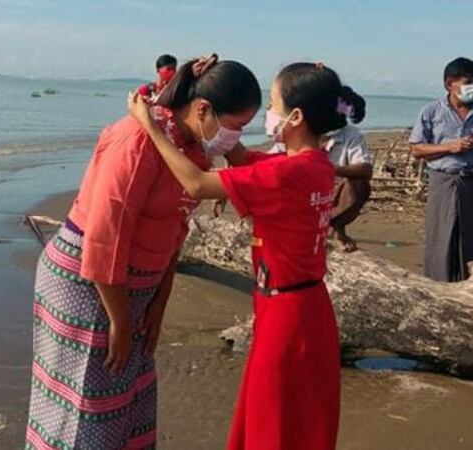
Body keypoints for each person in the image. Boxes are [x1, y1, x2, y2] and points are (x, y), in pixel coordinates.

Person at [25, 55, 261, 450]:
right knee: (87, 405)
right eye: (236, 126)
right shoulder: (135, 139)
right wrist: (119, 319)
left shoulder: (190, 147)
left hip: (136, 288)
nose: (236, 138)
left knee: (129, 401)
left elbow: (174, 228)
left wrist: (159, 301)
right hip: (89, 284)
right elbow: (105, 236)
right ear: (203, 109)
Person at [129, 61, 344, 450]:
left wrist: (150, 125)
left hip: (287, 315)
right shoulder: (313, 165)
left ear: (295, 117)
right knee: (293, 418)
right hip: (303, 307)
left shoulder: (287, 174)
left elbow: (196, 184)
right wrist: (218, 122)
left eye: (274, 105)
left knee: (273, 420)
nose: (268, 114)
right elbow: (244, 160)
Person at [409, 57, 473, 282]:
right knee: (442, 238)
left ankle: (472, 285)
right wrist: (451, 146)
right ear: (450, 84)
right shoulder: (431, 112)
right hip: (443, 180)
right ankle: (439, 286)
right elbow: (416, 149)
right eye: (468, 82)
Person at [326, 86, 373, 252]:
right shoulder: (304, 128)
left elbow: (366, 169)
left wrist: (330, 169)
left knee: (359, 184)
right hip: (301, 195)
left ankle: (335, 228)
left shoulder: (351, 134)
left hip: (333, 196)